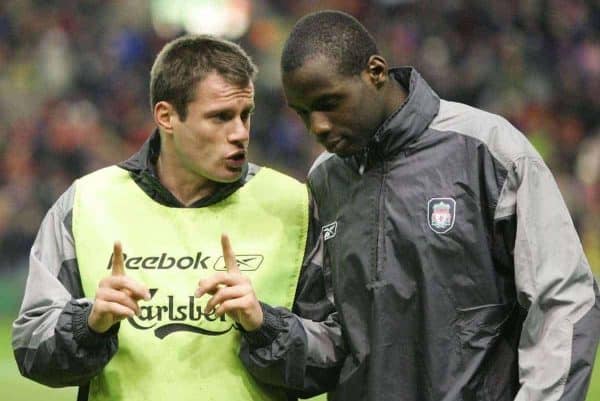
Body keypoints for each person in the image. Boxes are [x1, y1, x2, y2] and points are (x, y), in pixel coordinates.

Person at [238, 10, 600, 401]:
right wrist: (263, 325)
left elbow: (562, 300)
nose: (318, 126)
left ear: (375, 72)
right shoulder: (325, 180)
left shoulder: (487, 150)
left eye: (329, 102)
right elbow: (332, 340)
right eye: (303, 113)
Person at [12, 34, 336, 401]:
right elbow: (30, 347)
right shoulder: (85, 203)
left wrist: (265, 326)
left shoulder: (292, 204)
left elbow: (335, 353)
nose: (240, 133)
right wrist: (89, 326)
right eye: (220, 117)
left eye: (246, 115)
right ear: (166, 116)